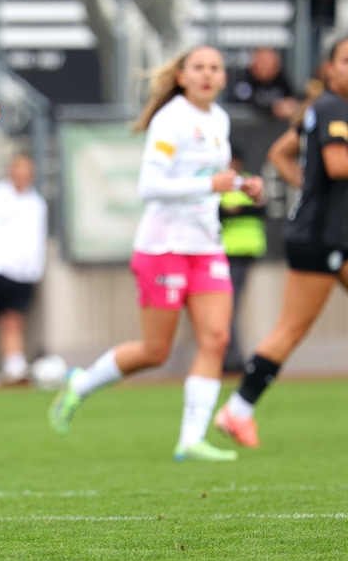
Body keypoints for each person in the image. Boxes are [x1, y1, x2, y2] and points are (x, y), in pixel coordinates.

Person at [48, 46, 265, 462]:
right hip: (164, 247)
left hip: (206, 245)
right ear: (182, 77)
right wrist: (211, 185)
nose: (207, 74)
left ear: (224, 77)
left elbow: (209, 177)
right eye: (198, 67)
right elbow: (150, 186)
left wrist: (242, 184)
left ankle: (191, 439)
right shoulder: (171, 120)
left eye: (215, 68)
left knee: (217, 339)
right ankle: (81, 384)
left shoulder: (219, 119)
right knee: (155, 351)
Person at [215, 38, 348, 449]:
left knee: (290, 330)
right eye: (346, 60)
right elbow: (338, 165)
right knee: (290, 330)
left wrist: (309, 190)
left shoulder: (322, 107)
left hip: (328, 234)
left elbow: (280, 152)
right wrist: (314, 193)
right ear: (328, 69)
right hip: (321, 238)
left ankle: (238, 410)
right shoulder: (334, 107)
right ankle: (237, 410)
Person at [0, 154, 48, 387]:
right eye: (18, 169)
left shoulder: (37, 203)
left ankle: (13, 365)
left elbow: (38, 237)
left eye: (27, 170)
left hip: (23, 273)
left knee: (14, 319)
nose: (22, 175)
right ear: (11, 172)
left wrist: (35, 268)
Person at [218, 149, 267, 373]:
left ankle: (233, 358)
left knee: (229, 307)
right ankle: (231, 357)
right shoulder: (220, 183)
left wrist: (238, 211)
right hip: (223, 253)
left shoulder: (247, 182)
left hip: (242, 251)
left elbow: (261, 208)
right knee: (226, 307)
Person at [229, 48, 299, 121]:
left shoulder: (281, 81)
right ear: (253, 64)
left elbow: (294, 97)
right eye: (263, 63)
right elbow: (242, 105)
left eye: (270, 63)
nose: (266, 67)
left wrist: (291, 105)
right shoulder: (245, 82)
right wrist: (273, 109)